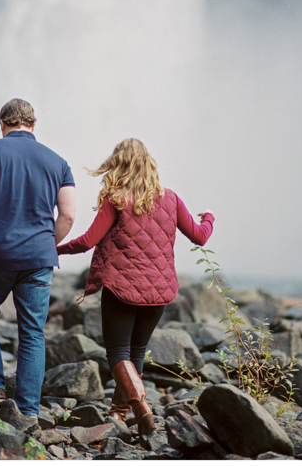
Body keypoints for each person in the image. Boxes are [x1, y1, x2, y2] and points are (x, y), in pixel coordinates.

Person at [56, 138, 214, 435]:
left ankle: (141, 406)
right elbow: (200, 237)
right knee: (136, 351)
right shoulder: (172, 199)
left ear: (118, 165)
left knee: (117, 352)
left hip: (121, 289)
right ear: (149, 165)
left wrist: (55, 249)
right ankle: (118, 413)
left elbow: (88, 241)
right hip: (159, 291)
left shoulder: (115, 199)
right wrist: (209, 218)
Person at [0, 98, 76, 418]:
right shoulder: (58, 162)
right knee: (32, 331)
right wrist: (48, 244)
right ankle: (29, 410)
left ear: (2, 124)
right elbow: (69, 215)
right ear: (33, 125)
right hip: (39, 259)